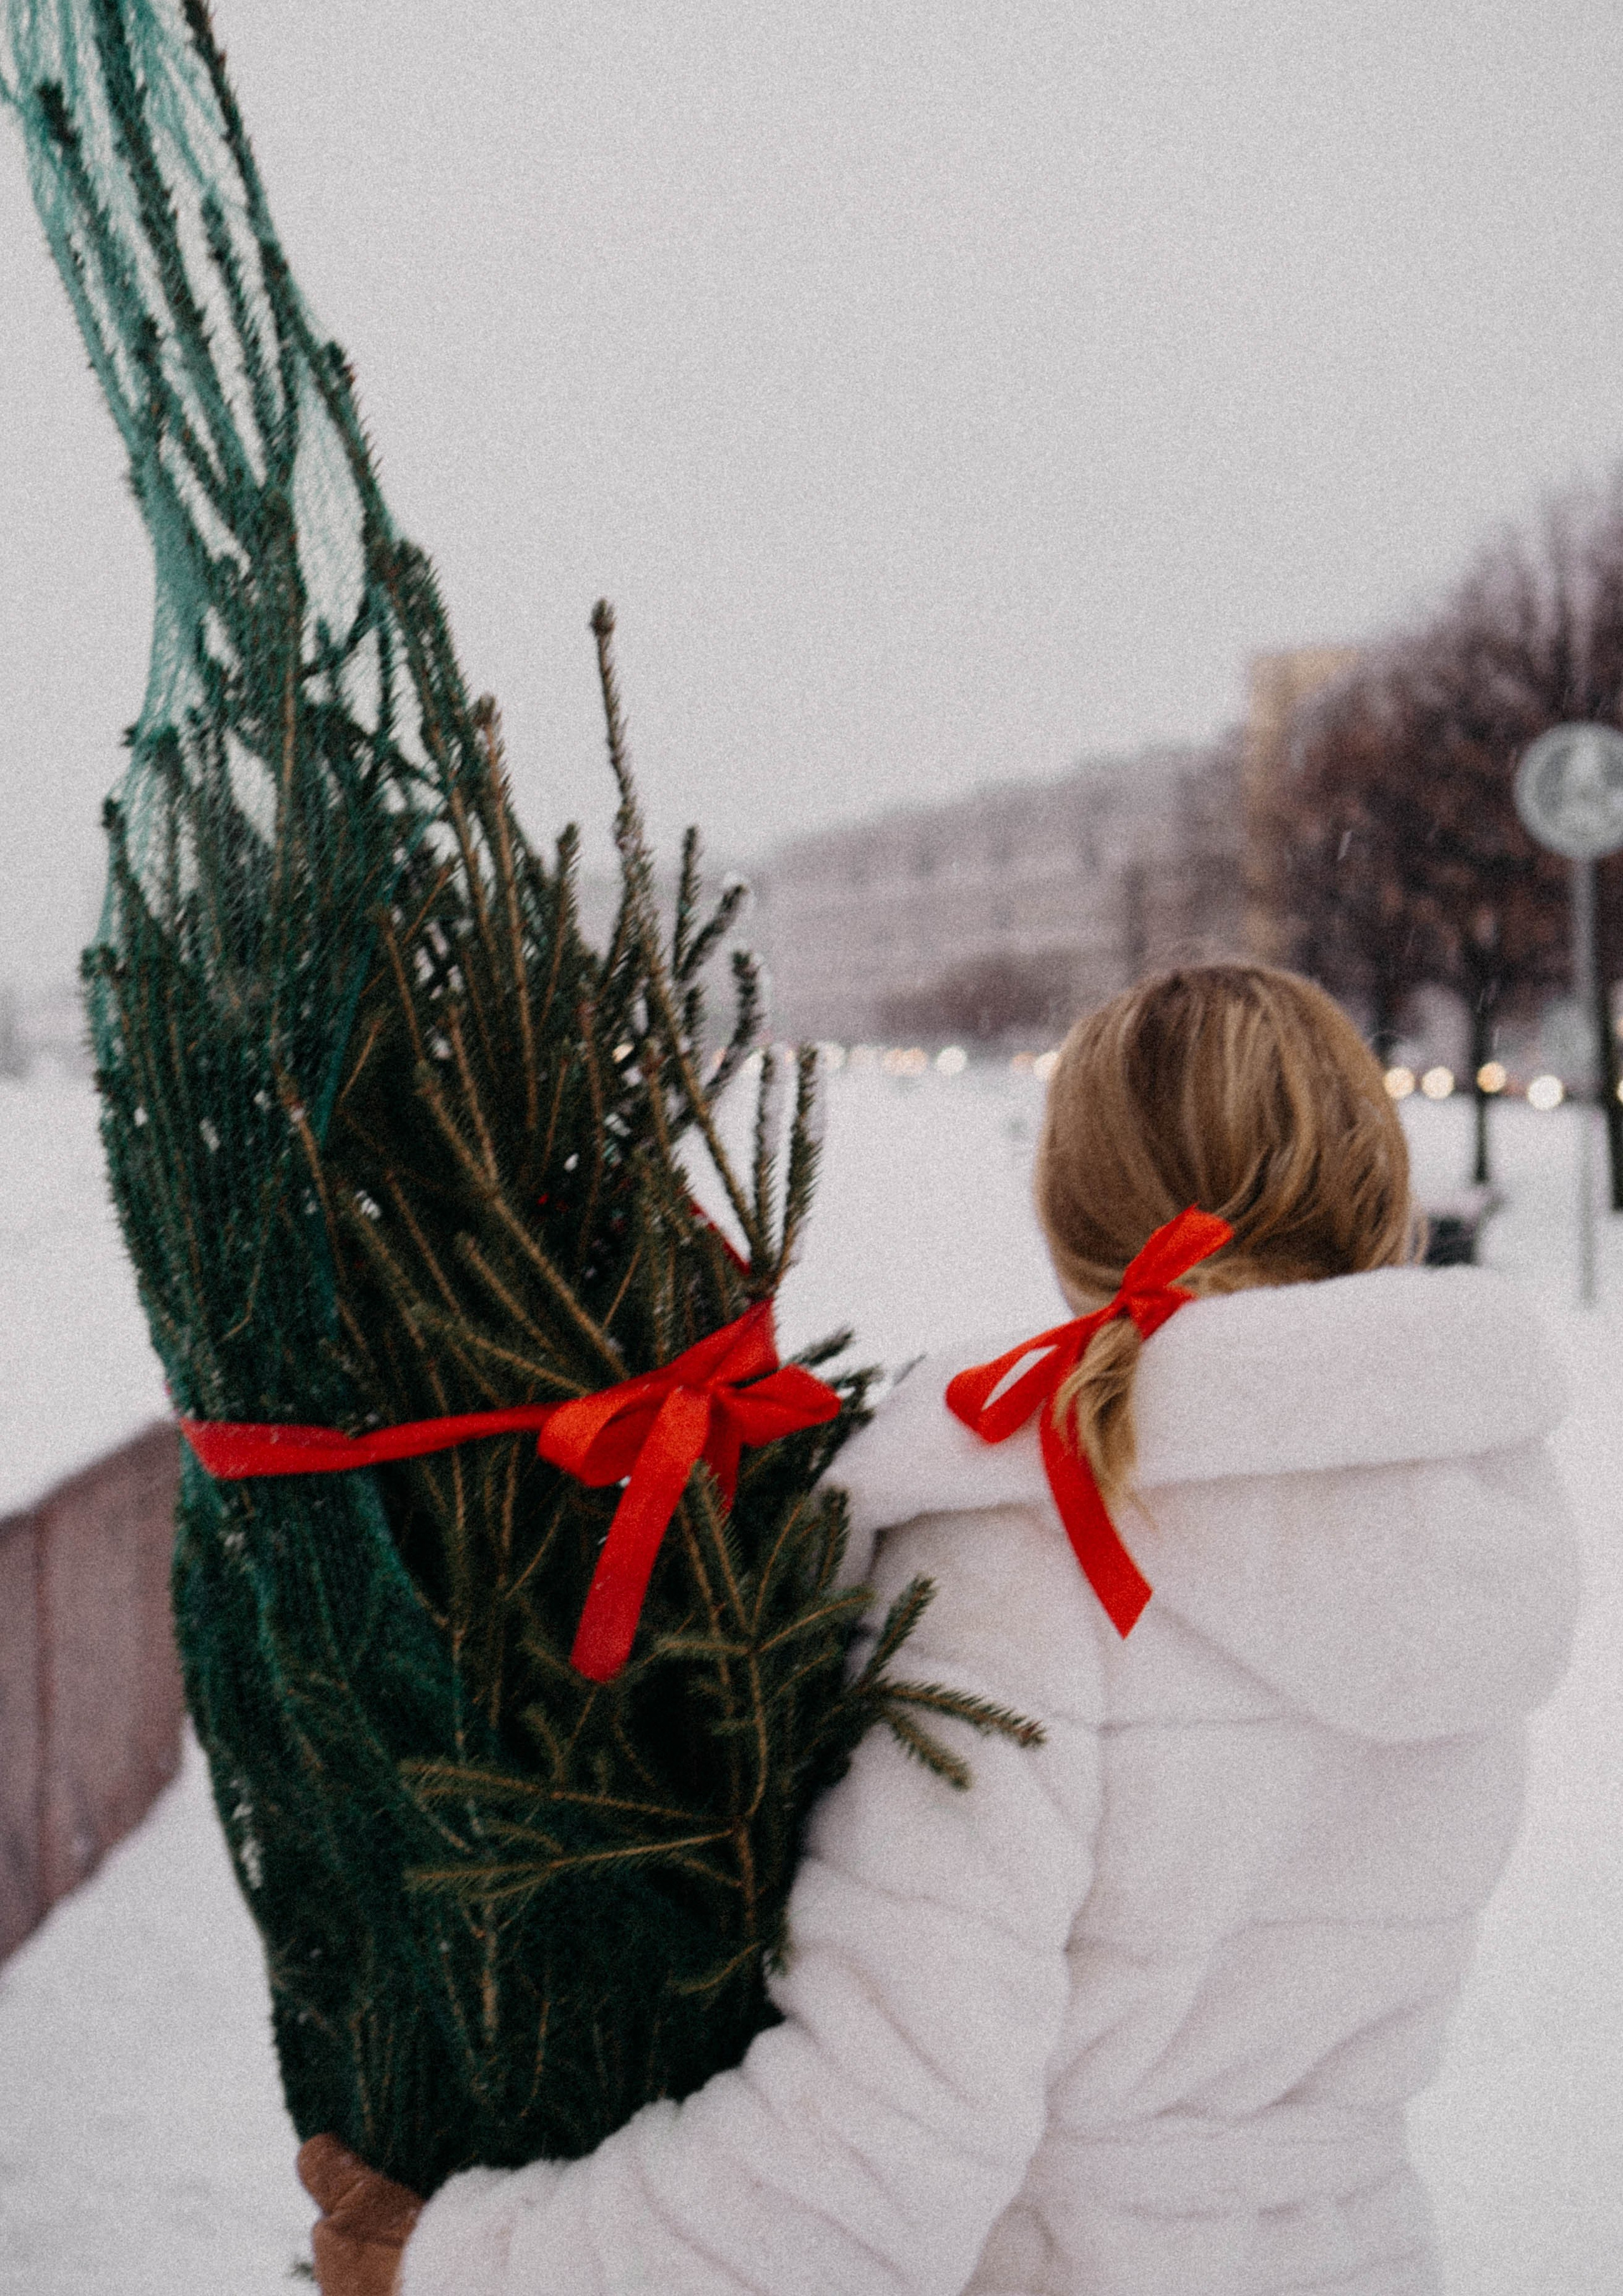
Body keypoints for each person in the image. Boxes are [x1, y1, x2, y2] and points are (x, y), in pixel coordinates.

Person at [301, 963, 1578, 2296]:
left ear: (1076, 1196)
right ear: (1370, 1182)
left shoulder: (1033, 1557)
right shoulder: (1457, 1535)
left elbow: (875, 2149)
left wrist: (469, 2263)